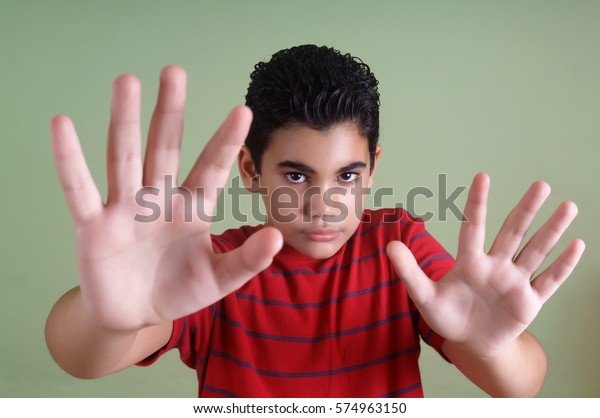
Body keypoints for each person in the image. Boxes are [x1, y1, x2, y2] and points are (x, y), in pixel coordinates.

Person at [45, 45, 585, 398]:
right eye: (298, 177)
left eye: (347, 176)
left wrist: (492, 348)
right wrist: (110, 318)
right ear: (252, 170)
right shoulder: (208, 270)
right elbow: (80, 360)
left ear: (373, 168)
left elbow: (522, 383)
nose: (324, 204)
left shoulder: (398, 246)